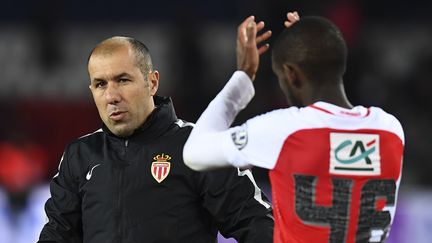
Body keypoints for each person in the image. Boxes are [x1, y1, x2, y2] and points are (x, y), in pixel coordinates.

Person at [183, 12, 404, 243]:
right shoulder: (390, 129)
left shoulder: (284, 130)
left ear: (291, 74)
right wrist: (310, 46)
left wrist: (243, 78)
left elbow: (194, 153)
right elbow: (336, 155)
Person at [38, 36, 274, 243]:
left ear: (151, 82)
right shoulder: (80, 155)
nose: (111, 96)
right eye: (100, 84)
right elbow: (58, 234)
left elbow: (257, 225)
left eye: (122, 80)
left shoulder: (197, 145)